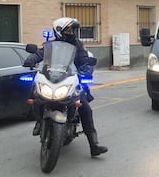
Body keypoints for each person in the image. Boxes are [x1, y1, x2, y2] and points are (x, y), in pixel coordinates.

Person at [24, 17, 108, 157]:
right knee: (35, 93)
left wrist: (86, 70)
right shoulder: (49, 45)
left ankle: (94, 145)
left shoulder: (78, 46)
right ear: (59, 31)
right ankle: (39, 121)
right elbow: (40, 54)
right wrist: (30, 60)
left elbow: (85, 60)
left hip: (70, 80)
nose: (71, 32)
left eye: (73, 30)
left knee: (85, 108)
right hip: (51, 78)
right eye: (68, 29)